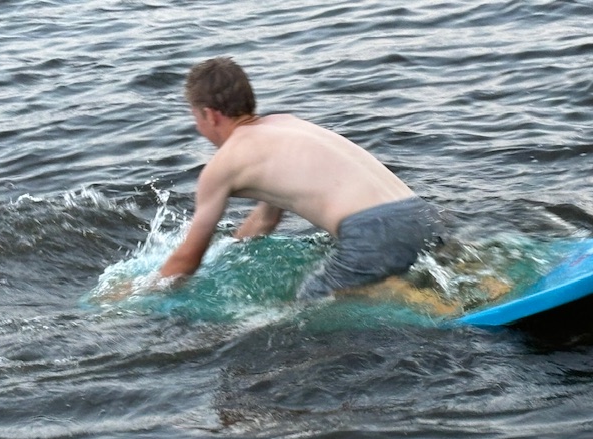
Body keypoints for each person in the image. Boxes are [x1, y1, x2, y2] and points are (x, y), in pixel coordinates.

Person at [159, 57, 445, 299]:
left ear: (209, 115)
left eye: (195, 116)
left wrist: (143, 293)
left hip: (371, 231)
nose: (198, 126)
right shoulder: (285, 123)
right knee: (444, 275)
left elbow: (188, 258)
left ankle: (434, 308)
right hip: (419, 213)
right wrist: (229, 254)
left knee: (308, 306)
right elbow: (266, 219)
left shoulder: (223, 164)